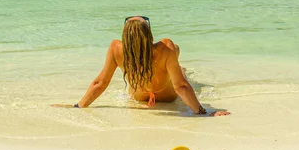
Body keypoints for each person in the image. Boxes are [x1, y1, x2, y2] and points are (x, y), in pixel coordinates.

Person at [73, 16, 230, 116]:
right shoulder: (165, 47)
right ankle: (180, 69)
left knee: (172, 56)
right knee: (175, 50)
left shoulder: (116, 49)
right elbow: (181, 87)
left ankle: (178, 69)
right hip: (168, 98)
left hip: (139, 98)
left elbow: (100, 83)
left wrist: (78, 106)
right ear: (148, 33)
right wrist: (202, 112)